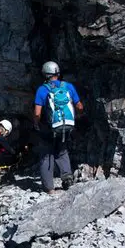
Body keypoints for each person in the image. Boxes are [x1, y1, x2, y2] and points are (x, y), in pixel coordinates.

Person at [33, 61, 84, 194]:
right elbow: (79, 106)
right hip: (66, 126)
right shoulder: (69, 86)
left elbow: (37, 113)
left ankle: (49, 188)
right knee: (62, 150)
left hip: (48, 128)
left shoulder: (42, 89)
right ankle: (67, 179)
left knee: (46, 154)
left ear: (45, 74)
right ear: (58, 73)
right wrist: (76, 116)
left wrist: (36, 124)